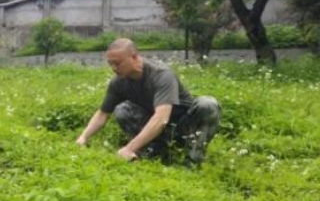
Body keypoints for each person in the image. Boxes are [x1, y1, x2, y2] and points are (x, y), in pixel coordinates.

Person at [76, 38, 220, 165]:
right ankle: (153, 151)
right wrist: (83, 137)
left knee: (207, 104)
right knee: (122, 109)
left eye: (117, 63)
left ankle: (193, 161)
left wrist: (129, 147)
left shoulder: (161, 75)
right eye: (110, 63)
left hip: (184, 128)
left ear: (134, 57)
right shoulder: (118, 82)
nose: (113, 68)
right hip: (159, 131)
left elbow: (161, 118)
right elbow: (102, 114)